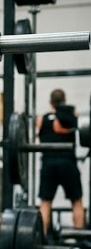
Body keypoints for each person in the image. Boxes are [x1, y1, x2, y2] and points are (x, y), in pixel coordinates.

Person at [36, 88, 83, 236]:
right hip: (68, 163)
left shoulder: (41, 119)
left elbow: (38, 135)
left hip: (48, 164)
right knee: (77, 201)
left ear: (50, 102)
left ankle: (41, 238)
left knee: (45, 203)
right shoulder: (71, 118)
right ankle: (79, 238)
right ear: (64, 100)